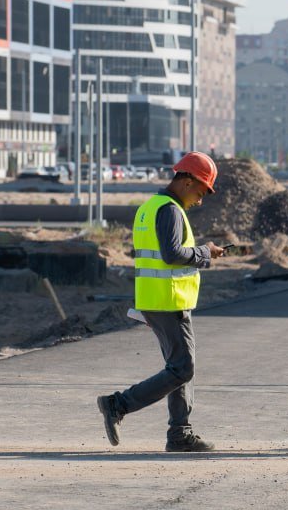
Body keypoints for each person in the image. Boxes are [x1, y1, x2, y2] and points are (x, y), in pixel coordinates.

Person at [96, 151, 226, 452]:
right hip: (168, 300)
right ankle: (119, 404)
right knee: (182, 368)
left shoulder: (150, 207)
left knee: (179, 366)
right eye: (202, 190)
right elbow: (171, 254)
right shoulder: (169, 210)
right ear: (187, 180)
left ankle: (180, 433)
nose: (201, 199)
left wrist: (204, 252)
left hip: (156, 298)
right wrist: (204, 253)